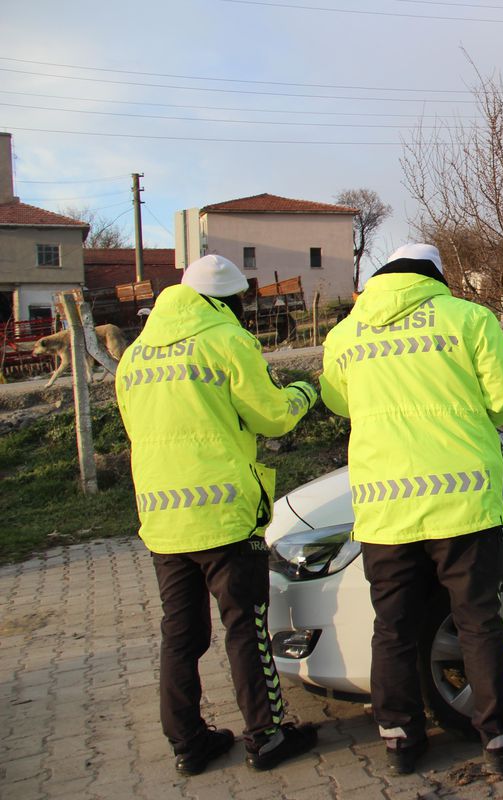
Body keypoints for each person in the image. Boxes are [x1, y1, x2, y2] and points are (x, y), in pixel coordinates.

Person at [320, 243, 503, 776]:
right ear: (434, 276)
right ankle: (500, 739)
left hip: (383, 511)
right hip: (462, 504)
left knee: (392, 627)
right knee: (478, 621)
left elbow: (337, 402)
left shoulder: (345, 333)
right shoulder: (469, 318)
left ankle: (400, 741)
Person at [115, 254, 321, 774]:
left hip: (163, 520)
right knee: (245, 628)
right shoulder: (227, 341)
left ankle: (188, 743)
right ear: (226, 301)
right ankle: (267, 736)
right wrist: (302, 391)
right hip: (224, 518)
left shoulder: (136, 355)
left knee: (180, 634)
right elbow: (271, 418)